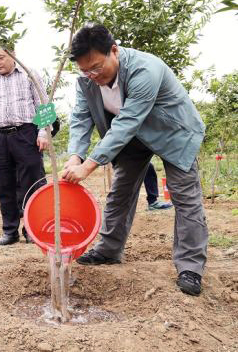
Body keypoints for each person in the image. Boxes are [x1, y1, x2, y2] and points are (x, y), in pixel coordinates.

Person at [61, 24, 208, 296]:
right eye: (84, 70)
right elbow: (81, 118)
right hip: (132, 139)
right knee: (121, 192)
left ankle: (190, 267)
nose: (91, 75)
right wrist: (75, 157)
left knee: (185, 197)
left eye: (96, 67)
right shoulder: (86, 81)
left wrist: (89, 165)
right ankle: (108, 250)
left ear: (114, 51)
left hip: (172, 132)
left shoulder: (145, 69)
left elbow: (128, 121)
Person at [0, 47, 53, 246]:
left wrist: (43, 132)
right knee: (3, 185)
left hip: (26, 134)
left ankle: (31, 229)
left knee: (32, 183)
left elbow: (43, 105)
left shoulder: (29, 74)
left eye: (1, 57)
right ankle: (10, 231)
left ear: (13, 55)